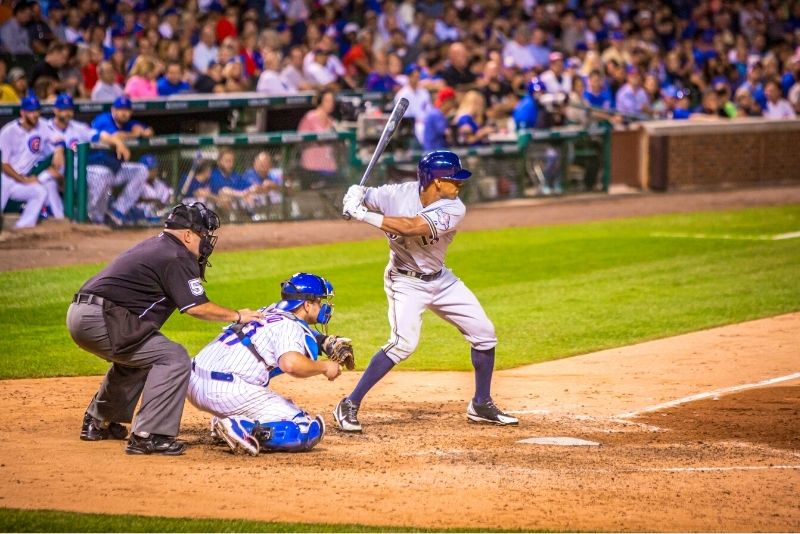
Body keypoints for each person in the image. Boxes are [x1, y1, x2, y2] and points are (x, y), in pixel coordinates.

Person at [334, 150, 518, 433]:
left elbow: (411, 227)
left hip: (441, 281)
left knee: (484, 333)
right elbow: (366, 194)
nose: (459, 184)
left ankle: (481, 403)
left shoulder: (454, 208)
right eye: (453, 179)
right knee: (403, 343)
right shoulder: (396, 195)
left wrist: (362, 215)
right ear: (435, 181)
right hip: (405, 282)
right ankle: (349, 403)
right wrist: (354, 195)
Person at [67, 202, 263, 455]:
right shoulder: (177, 255)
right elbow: (197, 307)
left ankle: (99, 421)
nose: (207, 242)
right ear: (188, 234)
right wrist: (238, 315)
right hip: (102, 318)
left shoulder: (158, 245)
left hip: (83, 315)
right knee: (173, 358)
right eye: (204, 235)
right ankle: (149, 435)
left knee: (142, 355)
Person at [188, 272, 348, 454]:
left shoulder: (268, 311)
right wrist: (326, 366)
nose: (323, 306)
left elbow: (297, 334)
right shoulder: (289, 327)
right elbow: (291, 364)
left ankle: (226, 417)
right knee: (305, 428)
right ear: (307, 304)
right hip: (224, 392)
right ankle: (242, 426)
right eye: (319, 301)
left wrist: (325, 342)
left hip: (193, 381)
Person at [87, 96, 153, 225]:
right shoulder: (104, 119)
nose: (124, 112)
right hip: (94, 168)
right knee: (95, 209)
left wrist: (144, 131)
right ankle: (90, 219)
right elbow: (114, 136)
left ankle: (117, 211)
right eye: (120, 109)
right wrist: (135, 134)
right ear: (113, 110)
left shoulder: (128, 124)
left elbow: (149, 131)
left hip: (114, 170)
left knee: (141, 170)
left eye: (127, 110)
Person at [0, 94, 63, 229]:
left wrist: (59, 150)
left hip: (23, 179)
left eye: (36, 111)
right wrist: (24, 180)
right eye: (30, 111)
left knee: (41, 191)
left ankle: (23, 228)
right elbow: (4, 165)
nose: (34, 115)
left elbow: (59, 138)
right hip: (6, 178)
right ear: (22, 112)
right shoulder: (8, 131)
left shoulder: (42, 126)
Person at [131, 154, 172, 224]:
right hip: (137, 218)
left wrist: (161, 204)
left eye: (154, 169)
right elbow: (133, 199)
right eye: (150, 169)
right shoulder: (134, 182)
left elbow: (166, 201)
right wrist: (153, 200)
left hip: (158, 218)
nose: (153, 172)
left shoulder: (160, 184)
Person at [422, 86, 457, 151]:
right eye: (452, 101)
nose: (453, 104)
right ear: (446, 100)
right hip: (433, 152)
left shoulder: (438, 113)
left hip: (437, 150)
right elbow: (446, 133)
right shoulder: (436, 114)